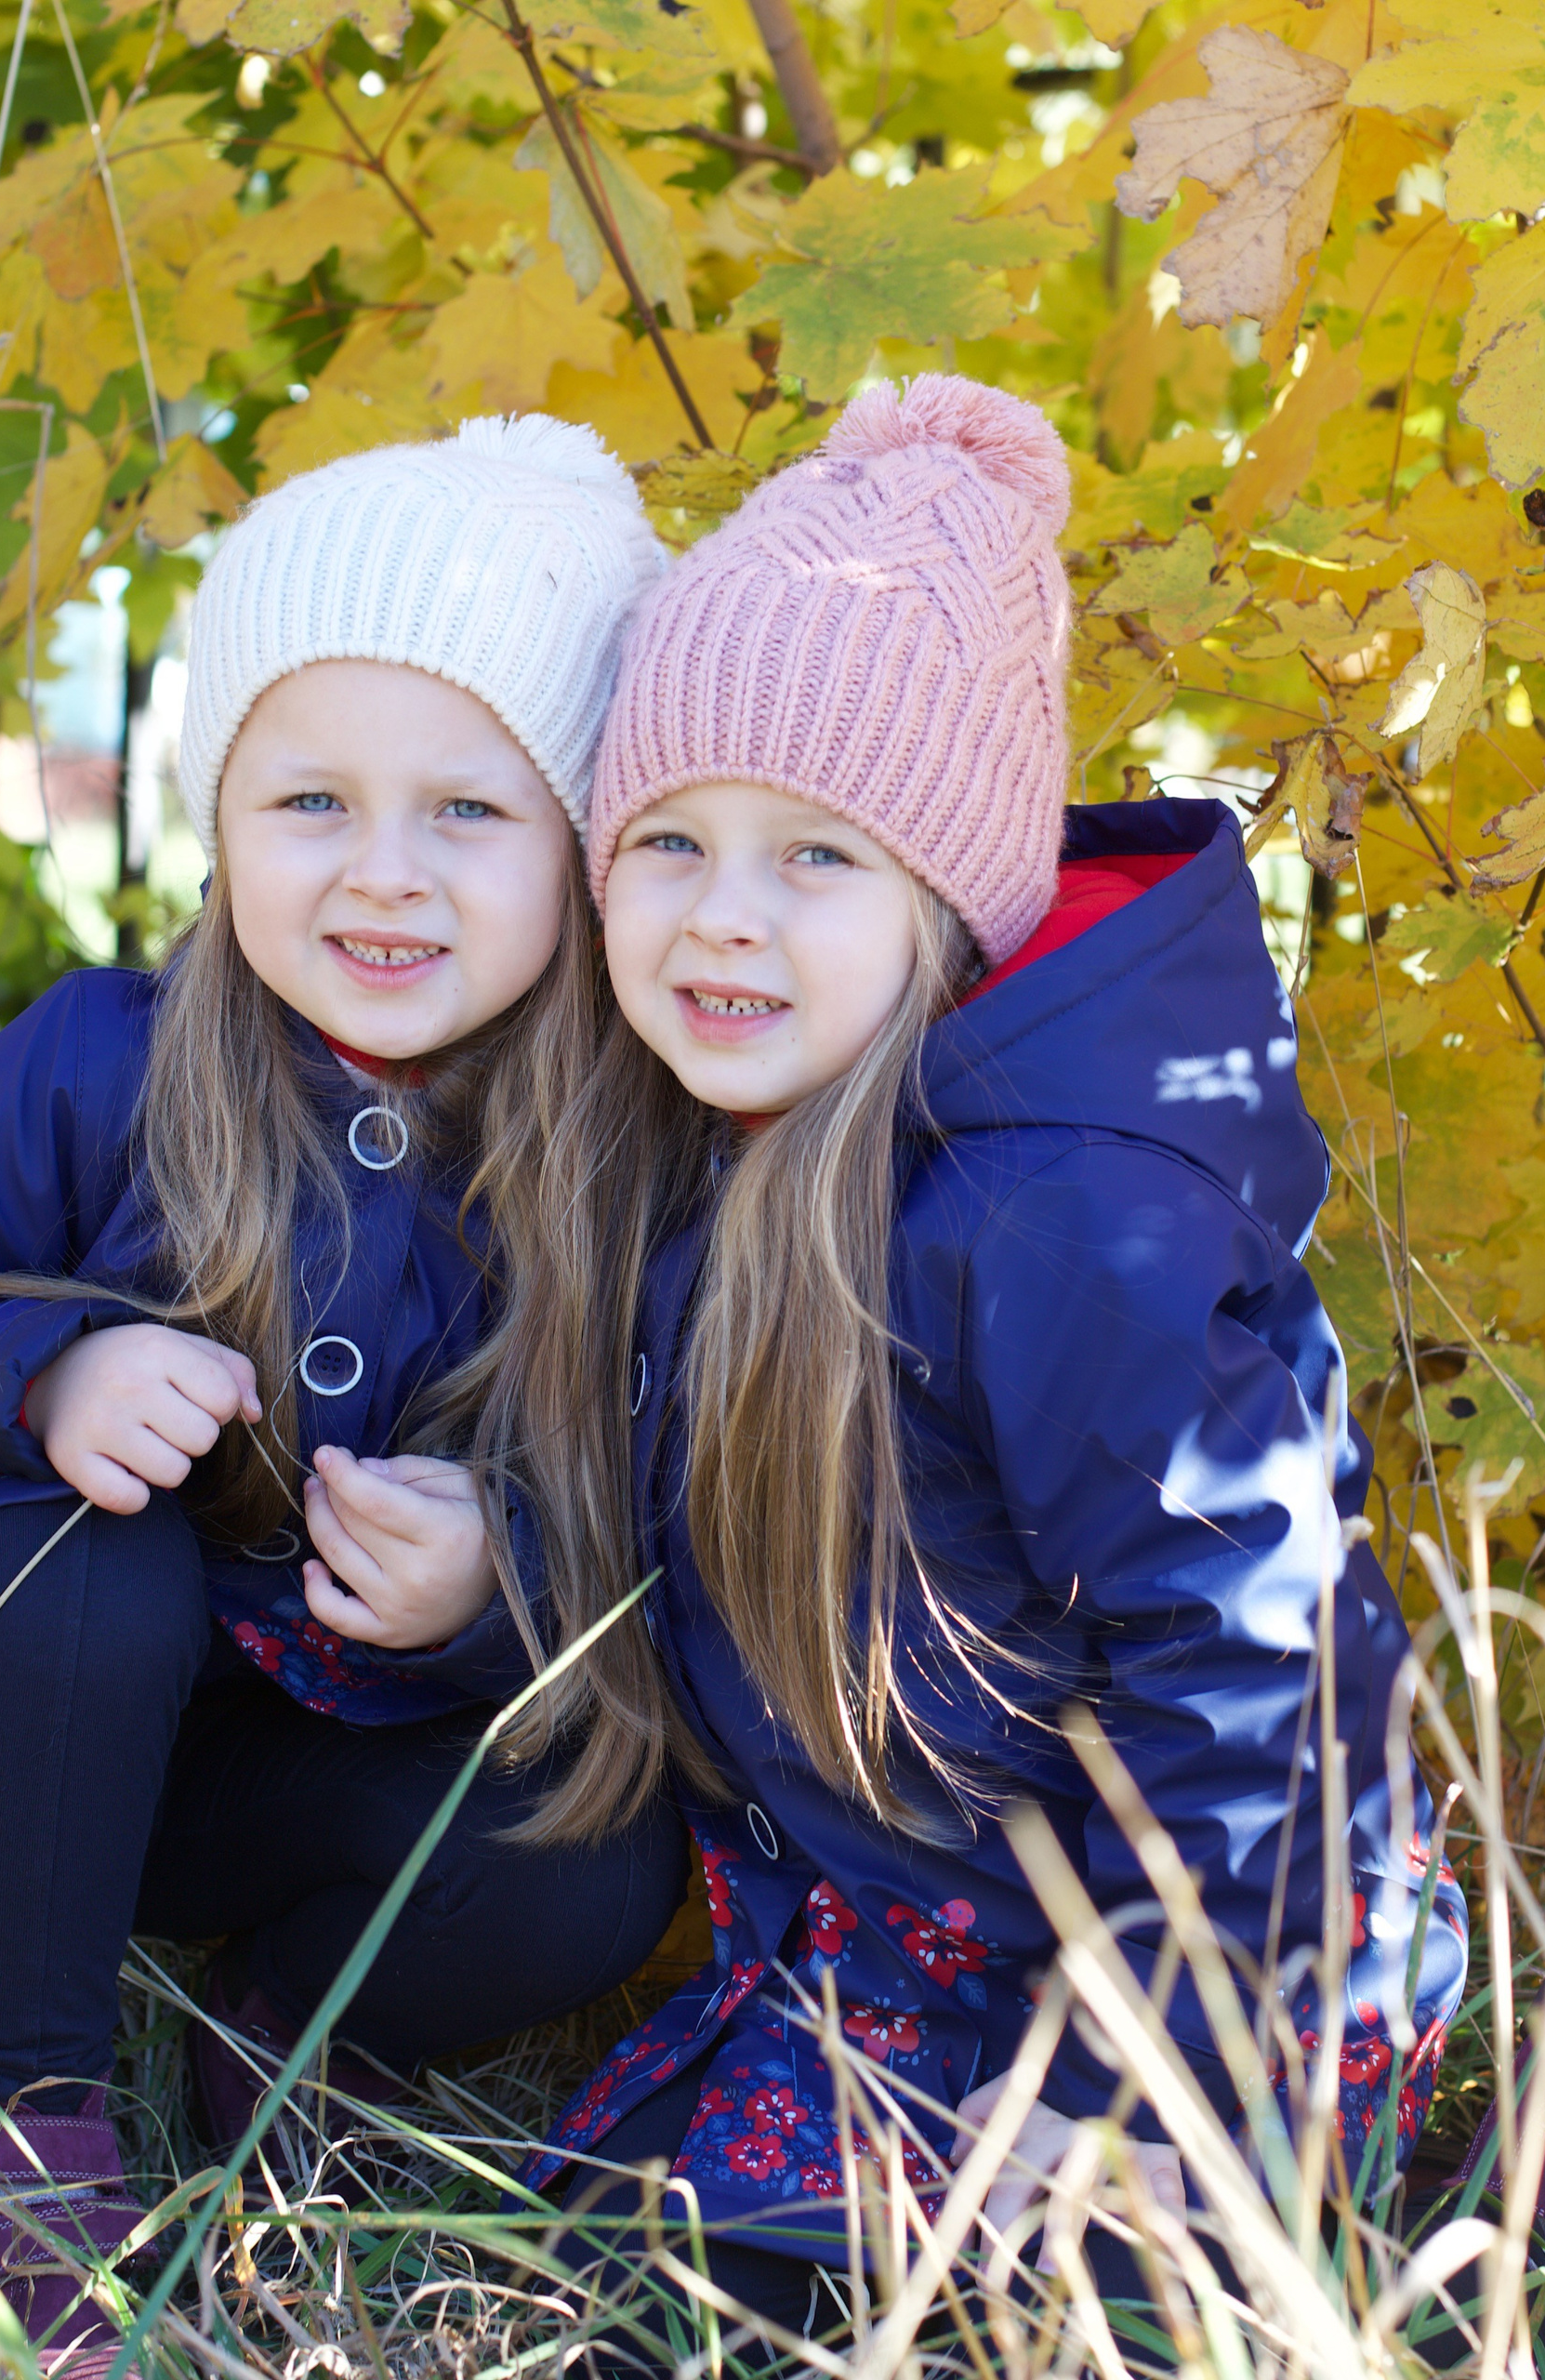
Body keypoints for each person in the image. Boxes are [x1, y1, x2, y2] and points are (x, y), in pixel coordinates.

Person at [512, 375, 1471, 2346]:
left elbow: (1270, 1682)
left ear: (951, 899)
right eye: (670, 840)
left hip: (1207, 1948)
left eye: (817, 857)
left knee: (984, 2309)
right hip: (912, 1941)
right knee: (648, 2282)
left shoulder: (1054, 1220)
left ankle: (1451, 2172)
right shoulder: (731, 1149)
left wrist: (1146, 2092)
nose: (722, 916)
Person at [0, 416, 688, 2372]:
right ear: (216, 810)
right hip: (20, 1737)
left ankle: (269, 2039)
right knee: (79, 1553)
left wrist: (491, 1582)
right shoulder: (109, 1054)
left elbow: (667, 1523)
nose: (381, 876)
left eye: (468, 814)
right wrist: (38, 1369)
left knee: (596, 1858)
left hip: (311, 1772)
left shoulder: (624, 1154)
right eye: (307, 801)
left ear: (581, 839)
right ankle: (4, 2140)